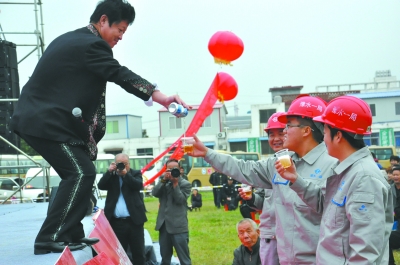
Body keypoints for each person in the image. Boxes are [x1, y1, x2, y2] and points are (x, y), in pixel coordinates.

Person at [9, 0, 190, 255]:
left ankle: (70, 233)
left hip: (47, 120)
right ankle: (50, 236)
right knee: (81, 173)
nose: (121, 37)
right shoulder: (92, 45)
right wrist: (158, 96)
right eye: (121, 30)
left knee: (79, 171)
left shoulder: (74, 40)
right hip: (45, 123)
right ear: (103, 20)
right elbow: (120, 74)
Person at [187, 95, 337, 265]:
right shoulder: (280, 162)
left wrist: (298, 181)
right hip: (285, 258)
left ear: (306, 131)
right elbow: (243, 168)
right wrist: (208, 153)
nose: (284, 131)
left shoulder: (333, 166)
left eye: (288, 126)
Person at [275, 96, 393, 264]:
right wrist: (295, 179)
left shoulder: (364, 179)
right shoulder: (345, 170)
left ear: (337, 136)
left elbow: (365, 252)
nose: (323, 140)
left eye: (324, 133)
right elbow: (325, 204)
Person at [237, 112, 286, 265]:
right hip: (269, 235)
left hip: (291, 237)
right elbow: (262, 202)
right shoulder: (268, 165)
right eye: (271, 134)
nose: (276, 139)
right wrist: (251, 198)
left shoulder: (300, 164)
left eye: (281, 133)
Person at [97, 153, 147, 265]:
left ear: (129, 164)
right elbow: (101, 186)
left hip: (134, 221)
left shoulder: (135, 173)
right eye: (120, 164)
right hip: (116, 222)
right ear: (115, 164)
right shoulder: (112, 175)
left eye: (125, 164)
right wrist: (109, 172)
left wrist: (125, 175)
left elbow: (138, 185)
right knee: (119, 254)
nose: (122, 166)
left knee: (139, 253)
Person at [152, 159, 192, 265]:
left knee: (184, 259)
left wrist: (175, 184)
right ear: (166, 170)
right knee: (165, 259)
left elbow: (180, 200)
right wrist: (164, 180)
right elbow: (155, 193)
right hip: (164, 226)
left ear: (180, 170)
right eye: (169, 169)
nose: (172, 171)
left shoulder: (185, 184)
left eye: (175, 169)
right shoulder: (163, 181)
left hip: (178, 227)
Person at [389, 166, 400, 265]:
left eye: (398, 175)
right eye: (394, 175)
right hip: (392, 216)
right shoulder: (389, 187)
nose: (396, 177)